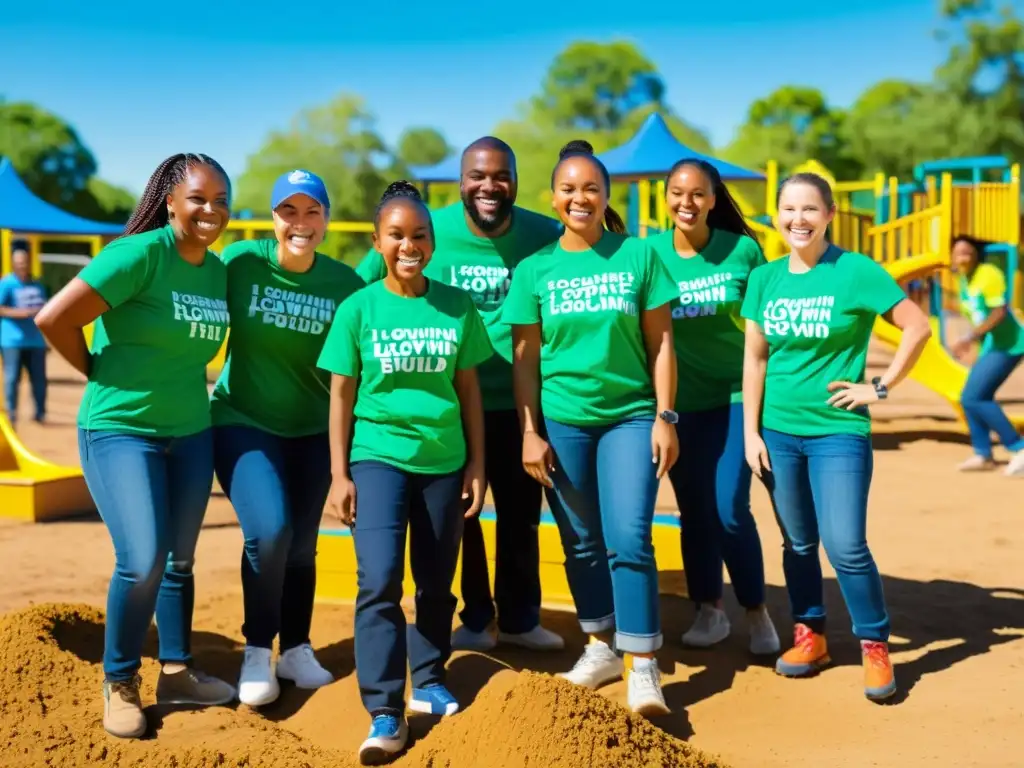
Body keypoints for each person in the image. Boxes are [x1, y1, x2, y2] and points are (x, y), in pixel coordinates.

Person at [34, 153, 237, 738]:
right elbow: (54, 320)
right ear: (169, 200)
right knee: (142, 558)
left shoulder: (217, 271)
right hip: (120, 430)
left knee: (179, 560)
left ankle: (177, 671)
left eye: (221, 200)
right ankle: (119, 679)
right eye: (199, 198)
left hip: (190, 432)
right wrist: (97, 370)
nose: (211, 210)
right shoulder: (137, 256)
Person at [356, 137, 564, 653]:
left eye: (500, 175)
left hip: (522, 403)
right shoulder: (430, 229)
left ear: (515, 179)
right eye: (478, 175)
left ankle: (519, 618)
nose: (489, 185)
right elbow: (362, 282)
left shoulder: (545, 233)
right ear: (461, 181)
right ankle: (476, 619)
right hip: (450, 404)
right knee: (462, 517)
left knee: (520, 516)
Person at [502, 140, 679, 716]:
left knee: (629, 538)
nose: (581, 198)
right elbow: (524, 359)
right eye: (570, 189)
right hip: (563, 421)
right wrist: (530, 431)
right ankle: (600, 645)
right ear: (553, 198)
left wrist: (664, 417)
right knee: (579, 541)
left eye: (591, 189)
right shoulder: (534, 270)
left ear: (607, 197)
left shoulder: (640, 256)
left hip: (630, 417)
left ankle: (643, 665)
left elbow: (662, 343)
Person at [740, 172, 932, 701]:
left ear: (828, 215)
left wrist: (880, 388)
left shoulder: (855, 272)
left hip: (838, 432)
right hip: (777, 432)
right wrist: (750, 431)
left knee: (845, 544)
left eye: (809, 210)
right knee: (798, 543)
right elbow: (755, 359)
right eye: (788, 210)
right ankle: (811, 635)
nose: (797, 220)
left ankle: (874, 644)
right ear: (776, 216)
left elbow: (918, 326)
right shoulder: (766, 278)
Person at [319, 181, 492, 764]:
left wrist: (476, 463)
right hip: (377, 458)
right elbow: (340, 396)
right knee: (379, 580)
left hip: (444, 462)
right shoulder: (358, 308)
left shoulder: (456, 305)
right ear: (377, 242)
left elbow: (468, 389)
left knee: (437, 581)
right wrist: (340, 474)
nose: (408, 245)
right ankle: (385, 710)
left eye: (419, 235)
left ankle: (431, 677)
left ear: (432, 241)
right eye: (396, 235)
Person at [210, 169, 366, 706]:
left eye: (312, 211)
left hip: (312, 434)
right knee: (270, 531)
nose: (300, 223)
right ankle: (257, 650)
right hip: (242, 421)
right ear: (272, 216)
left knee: (302, 545)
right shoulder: (240, 263)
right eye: (288, 211)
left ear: (326, 218)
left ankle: (296, 649)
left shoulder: (345, 285)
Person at [651, 159, 779, 654]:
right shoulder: (650, 253)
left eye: (698, 194)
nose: (687, 203)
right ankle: (710, 608)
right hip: (679, 406)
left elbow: (766, 327)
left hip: (734, 398)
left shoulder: (742, 250)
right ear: (667, 198)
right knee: (694, 512)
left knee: (728, 509)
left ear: (712, 198)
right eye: (678, 193)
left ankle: (757, 610)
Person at [947, 234, 1024, 476]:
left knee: (974, 397)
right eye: (958, 252)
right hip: (993, 345)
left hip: (1010, 344)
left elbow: (999, 312)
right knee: (969, 397)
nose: (963, 256)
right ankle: (983, 454)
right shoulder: (963, 278)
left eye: (968, 252)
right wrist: (974, 344)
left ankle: (1018, 447)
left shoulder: (988, 274)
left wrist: (970, 338)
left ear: (976, 255)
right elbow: (978, 315)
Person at [0, 244, 49, 425]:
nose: (22, 265)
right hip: (12, 340)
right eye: (18, 262)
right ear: (13, 264)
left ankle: (40, 413)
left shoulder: (37, 285)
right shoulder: (6, 284)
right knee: (12, 378)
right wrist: (20, 313)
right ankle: (11, 412)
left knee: (39, 379)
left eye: (24, 262)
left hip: (36, 341)